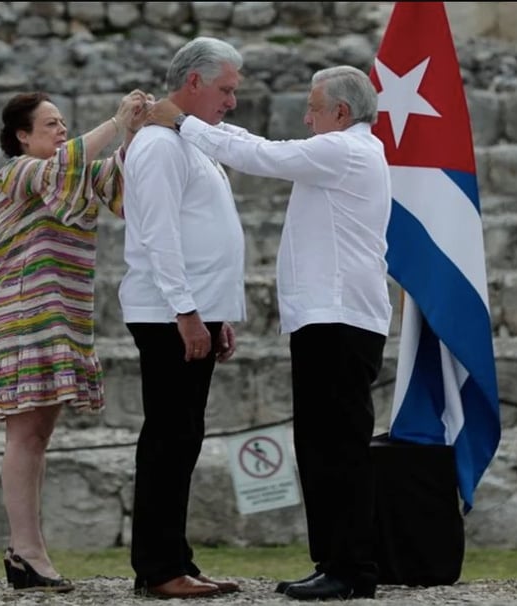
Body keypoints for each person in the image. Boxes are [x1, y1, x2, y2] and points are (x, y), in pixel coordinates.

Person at [147, 65, 392, 601]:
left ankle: (352, 568)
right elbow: (259, 143)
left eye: (313, 107)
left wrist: (183, 122)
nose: (306, 117)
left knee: (338, 446)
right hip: (327, 319)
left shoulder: (345, 150)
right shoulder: (341, 151)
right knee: (320, 443)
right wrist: (194, 123)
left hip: (339, 319)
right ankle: (334, 560)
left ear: (341, 113)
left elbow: (260, 156)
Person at [0, 89, 149, 592]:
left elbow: (120, 186)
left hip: (65, 315)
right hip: (24, 315)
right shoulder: (16, 172)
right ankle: (26, 549)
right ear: (22, 136)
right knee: (24, 434)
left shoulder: (75, 170)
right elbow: (69, 164)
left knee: (38, 436)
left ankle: (26, 550)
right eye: (51, 124)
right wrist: (116, 122)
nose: (61, 132)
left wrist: (138, 134)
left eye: (62, 124)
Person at [118, 37, 248, 599]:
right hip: (168, 313)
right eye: (226, 89)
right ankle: (159, 566)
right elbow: (160, 236)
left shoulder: (192, 143)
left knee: (184, 436)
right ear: (193, 82)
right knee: (171, 438)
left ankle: (174, 558)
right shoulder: (160, 146)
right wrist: (187, 311)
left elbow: (204, 234)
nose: (232, 101)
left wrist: (216, 314)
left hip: (192, 310)